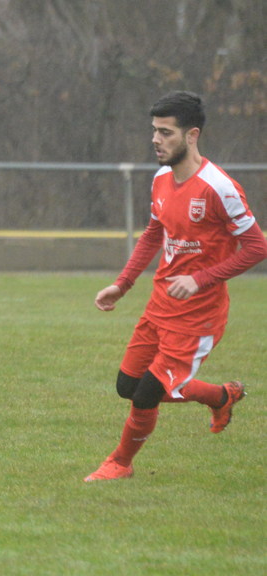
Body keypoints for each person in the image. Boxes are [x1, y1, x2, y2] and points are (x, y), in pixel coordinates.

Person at [85, 91, 267, 482]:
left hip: (198, 318)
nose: (156, 139)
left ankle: (120, 463)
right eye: (154, 130)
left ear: (191, 135)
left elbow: (257, 247)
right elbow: (154, 232)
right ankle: (221, 396)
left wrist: (200, 279)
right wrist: (122, 284)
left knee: (146, 395)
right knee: (127, 386)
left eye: (166, 132)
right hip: (159, 307)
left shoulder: (220, 188)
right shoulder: (161, 179)